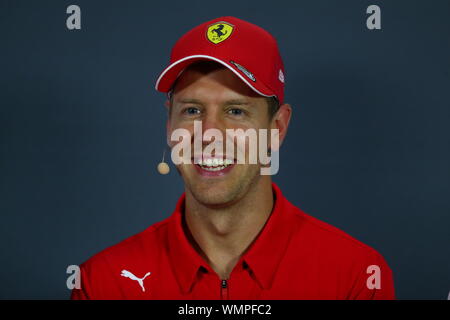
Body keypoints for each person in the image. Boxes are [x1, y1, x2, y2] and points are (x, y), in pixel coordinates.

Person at [71, 16, 395, 300]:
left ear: (277, 127)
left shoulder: (356, 276)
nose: (210, 133)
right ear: (170, 124)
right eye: (193, 110)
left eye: (236, 111)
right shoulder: (105, 282)